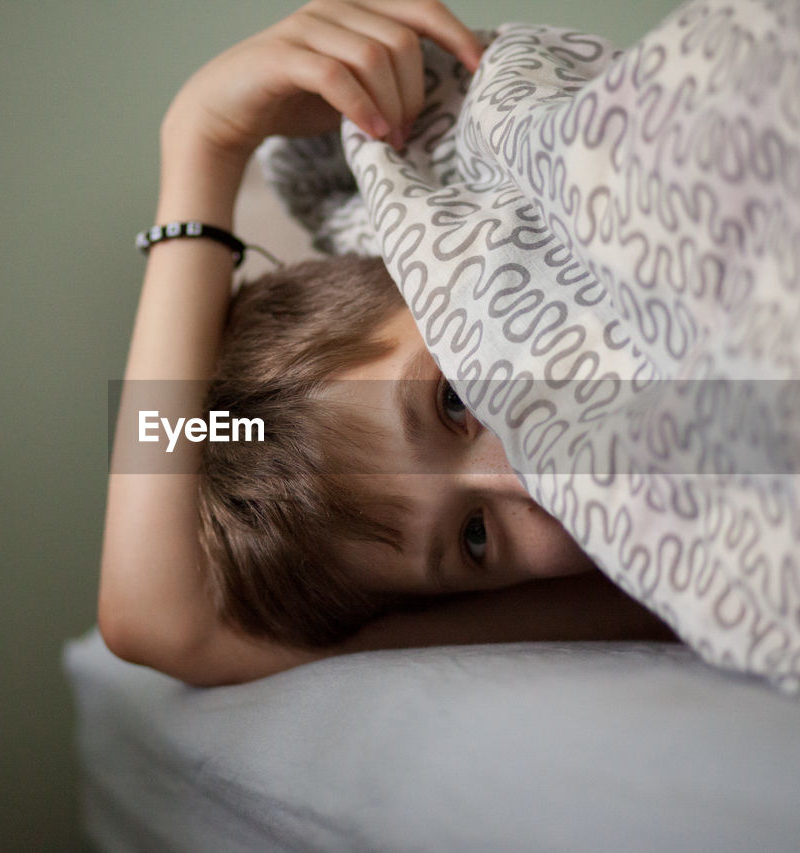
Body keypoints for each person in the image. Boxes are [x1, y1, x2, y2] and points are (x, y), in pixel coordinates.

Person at [98, 0, 674, 688]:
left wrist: (209, 139)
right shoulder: (674, 576)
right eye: (475, 537)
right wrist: (201, 141)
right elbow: (165, 620)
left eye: (455, 399)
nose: (526, 475)